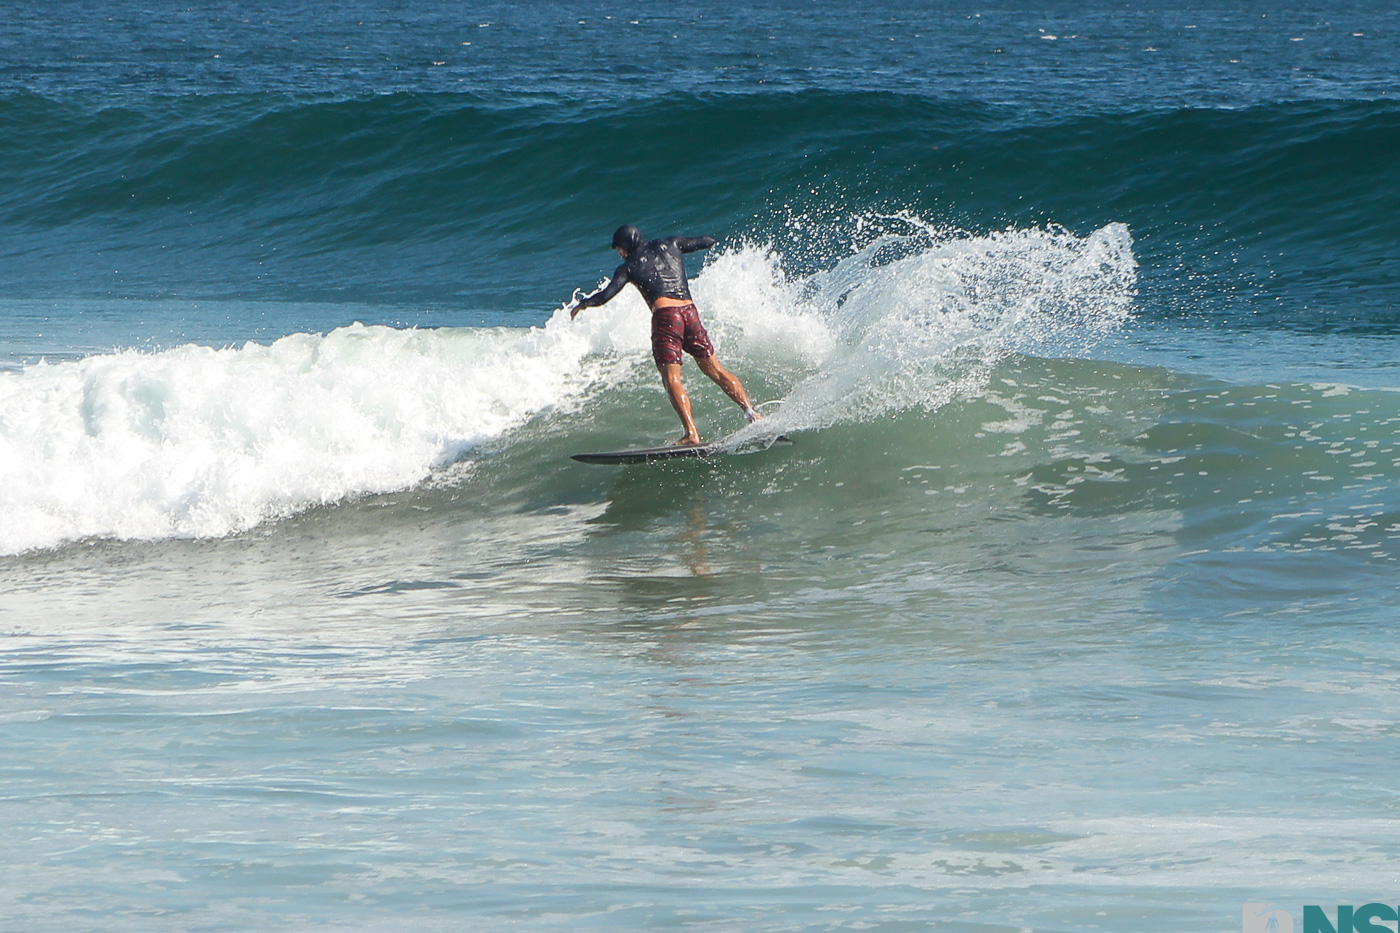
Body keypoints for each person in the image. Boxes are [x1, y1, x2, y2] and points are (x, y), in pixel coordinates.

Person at [571, 224, 760, 446]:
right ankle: (751, 413)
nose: (620, 253)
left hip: (666, 317)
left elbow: (605, 296)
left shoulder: (628, 266)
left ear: (627, 244)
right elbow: (705, 241)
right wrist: (713, 240)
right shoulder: (672, 243)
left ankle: (691, 434)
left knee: (672, 379)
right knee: (716, 370)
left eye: (619, 249)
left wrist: (583, 304)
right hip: (690, 313)